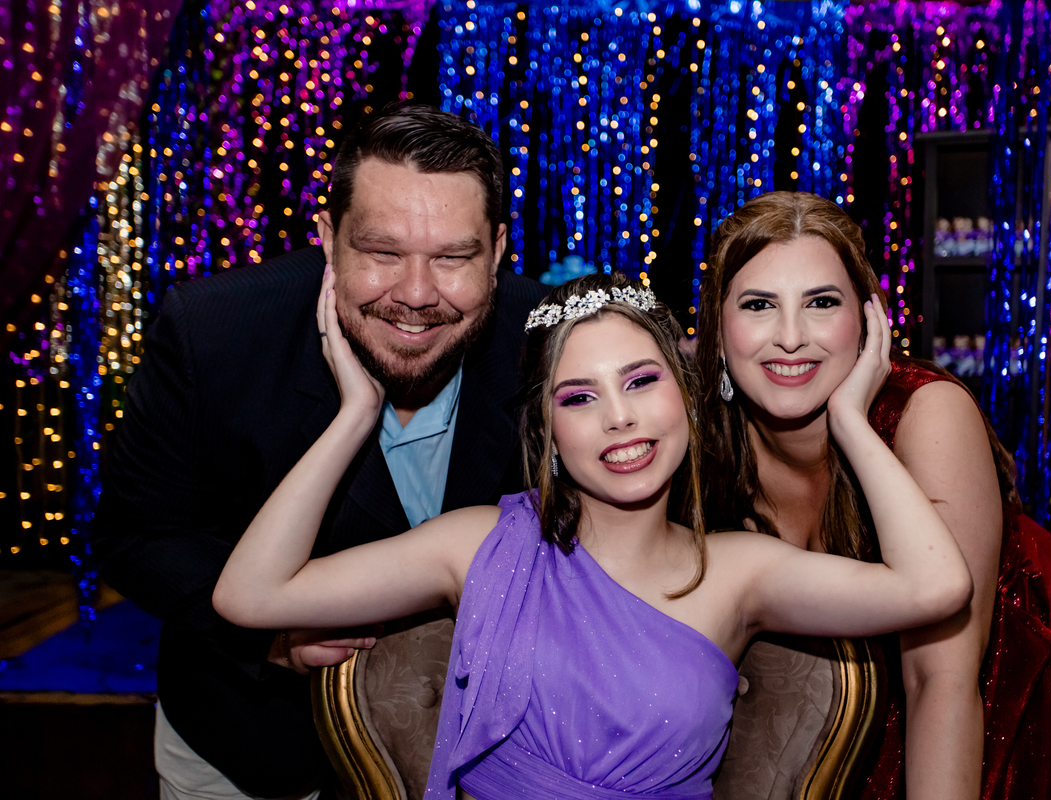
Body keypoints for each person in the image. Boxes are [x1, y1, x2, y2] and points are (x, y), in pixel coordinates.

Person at [212, 270, 974, 800]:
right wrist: (356, 414)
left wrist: (849, 420)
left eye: (642, 381)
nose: (620, 418)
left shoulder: (740, 571)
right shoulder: (476, 546)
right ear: (547, 434)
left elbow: (935, 586)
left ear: (686, 396)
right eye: (579, 397)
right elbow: (250, 594)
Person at [92, 103, 547, 800]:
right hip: (254, 741)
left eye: (453, 257)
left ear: (498, 249)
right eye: (383, 253)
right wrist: (269, 637)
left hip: (491, 748)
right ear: (329, 239)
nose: (416, 295)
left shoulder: (550, 341)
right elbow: (137, 535)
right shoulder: (213, 332)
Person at [695, 191, 1051, 800]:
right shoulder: (697, 434)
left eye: (821, 303)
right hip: (828, 732)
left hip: (984, 712)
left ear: (869, 319)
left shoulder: (928, 415)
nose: (790, 337)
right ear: (716, 326)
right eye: (759, 305)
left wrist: (852, 424)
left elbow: (940, 681)